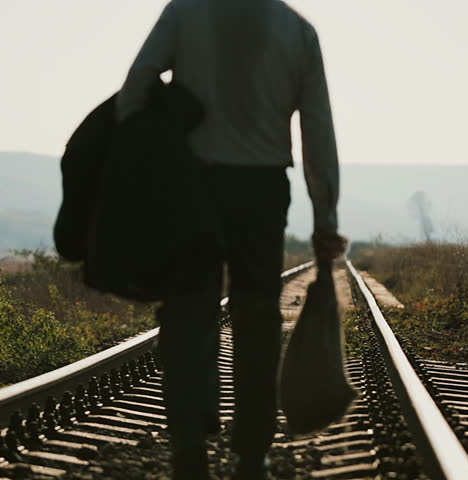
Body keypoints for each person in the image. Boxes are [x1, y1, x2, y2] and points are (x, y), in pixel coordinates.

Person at [116, 0, 346, 478]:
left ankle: (187, 443)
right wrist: (325, 216)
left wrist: (138, 164)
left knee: (187, 309)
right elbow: (317, 130)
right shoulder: (297, 30)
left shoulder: (185, 11)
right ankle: (251, 453)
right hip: (261, 190)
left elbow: (138, 83)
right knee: (258, 316)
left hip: (191, 183)